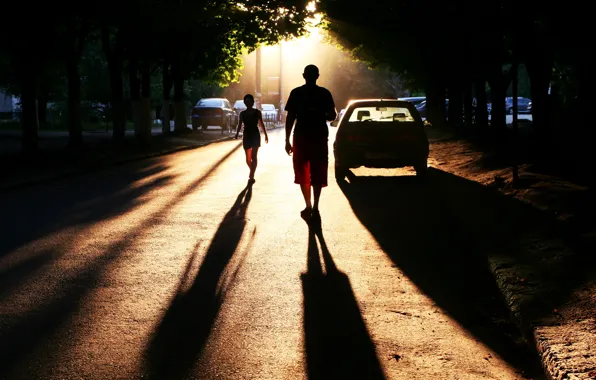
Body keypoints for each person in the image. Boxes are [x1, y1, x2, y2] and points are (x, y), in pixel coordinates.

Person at [284, 64, 336, 223]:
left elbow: (290, 117)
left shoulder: (296, 93)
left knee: (302, 170)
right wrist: (321, 114)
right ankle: (316, 206)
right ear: (318, 76)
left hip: (301, 136)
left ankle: (308, 205)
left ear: (303, 75)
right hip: (319, 136)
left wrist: (287, 140)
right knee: (318, 170)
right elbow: (332, 116)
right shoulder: (324, 93)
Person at [235, 94, 268, 184]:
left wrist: (266, 135)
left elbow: (261, 123)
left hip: (255, 135)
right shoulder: (242, 114)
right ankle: (252, 170)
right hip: (246, 136)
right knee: (248, 159)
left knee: (254, 156)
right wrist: (237, 134)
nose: (248, 103)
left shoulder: (257, 112)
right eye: (246, 101)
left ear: (253, 102)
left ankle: (252, 175)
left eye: (249, 101)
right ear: (245, 103)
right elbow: (239, 124)